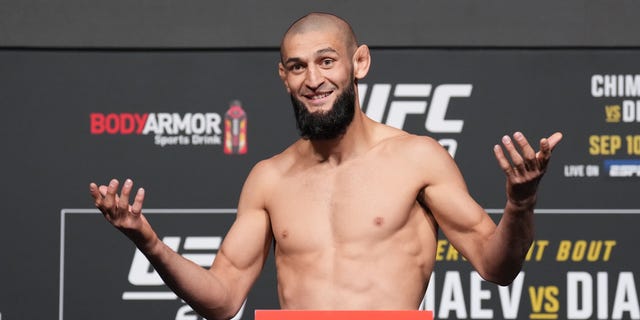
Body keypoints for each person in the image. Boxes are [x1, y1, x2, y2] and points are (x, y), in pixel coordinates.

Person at [90, 12, 562, 319]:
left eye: (327, 61)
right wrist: (148, 242)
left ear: (359, 63)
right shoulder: (269, 179)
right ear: (284, 77)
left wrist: (521, 203)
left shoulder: (417, 158)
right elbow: (223, 297)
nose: (313, 79)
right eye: (297, 67)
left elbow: (497, 267)